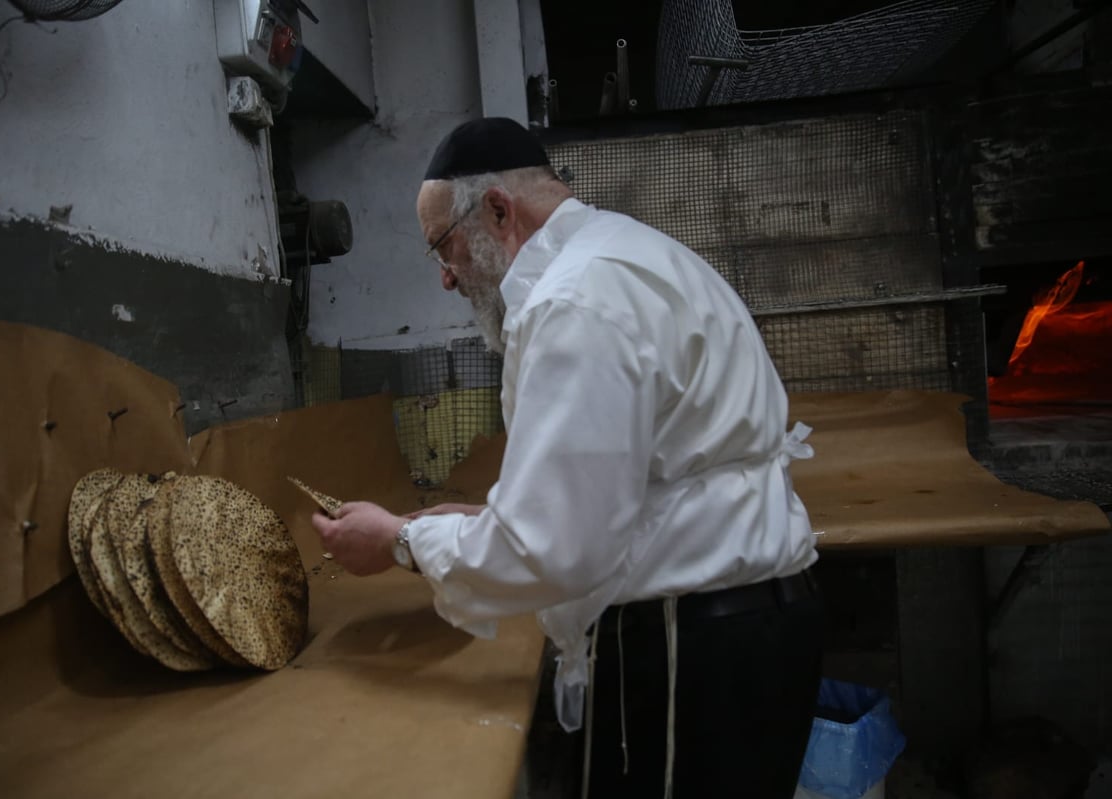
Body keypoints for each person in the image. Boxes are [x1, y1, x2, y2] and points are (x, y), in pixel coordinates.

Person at [310, 117, 823, 798]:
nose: (445, 277)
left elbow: (552, 548)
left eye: (445, 246)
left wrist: (401, 541)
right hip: (746, 629)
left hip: (690, 649)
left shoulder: (574, 302)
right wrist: (483, 519)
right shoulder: (633, 253)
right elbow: (628, 485)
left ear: (497, 211)